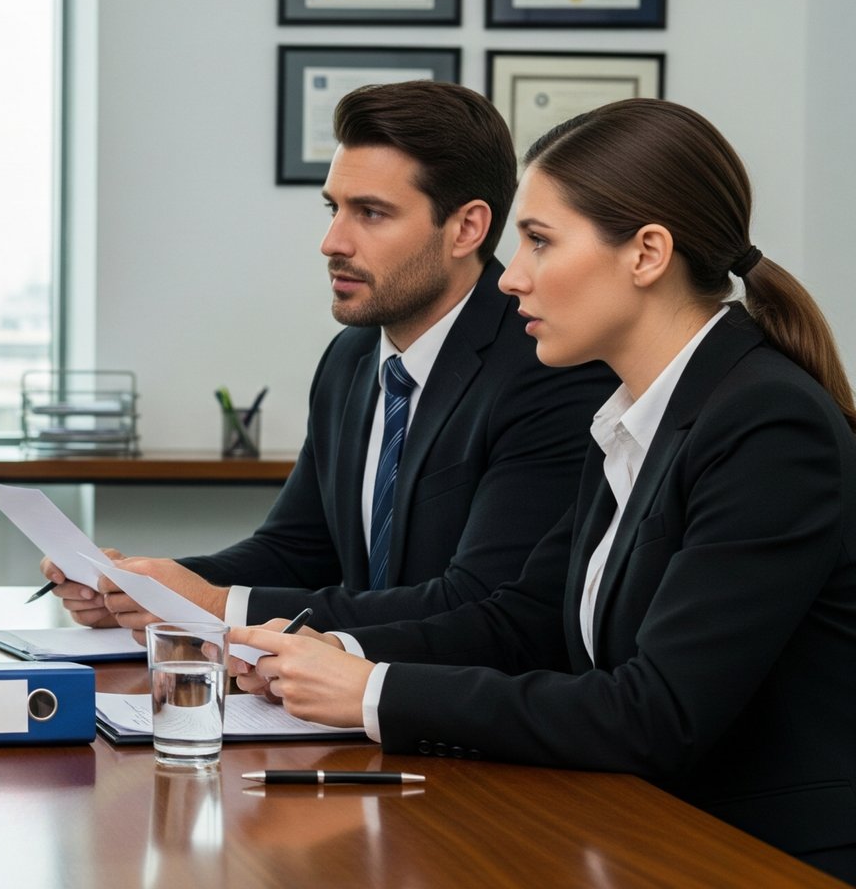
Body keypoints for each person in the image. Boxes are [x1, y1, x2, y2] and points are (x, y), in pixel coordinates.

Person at [230, 98, 856, 880]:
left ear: (647, 254)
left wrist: (373, 691)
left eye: (538, 242)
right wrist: (331, 655)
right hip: (644, 830)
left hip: (758, 856)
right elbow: (523, 619)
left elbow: (655, 713)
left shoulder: (767, 425)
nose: (510, 276)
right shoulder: (633, 413)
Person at [45, 81, 613, 632]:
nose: (333, 242)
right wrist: (143, 587)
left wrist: (217, 606)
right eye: (333, 209)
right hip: (341, 695)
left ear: (466, 228)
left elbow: (478, 602)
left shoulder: (546, 366)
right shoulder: (352, 357)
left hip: (455, 711)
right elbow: (295, 550)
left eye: (370, 213)